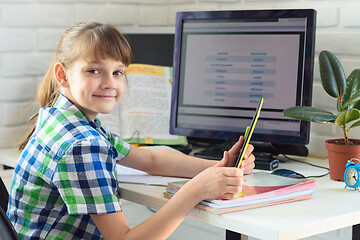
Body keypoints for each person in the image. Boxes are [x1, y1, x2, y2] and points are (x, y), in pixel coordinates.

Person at [7, 22, 255, 240]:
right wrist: (195, 190)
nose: (109, 83)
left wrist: (219, 166)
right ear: (63, 75)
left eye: (117, 72)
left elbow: (151, 160)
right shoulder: (81, 145)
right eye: (94, 70)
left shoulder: (64, 119)